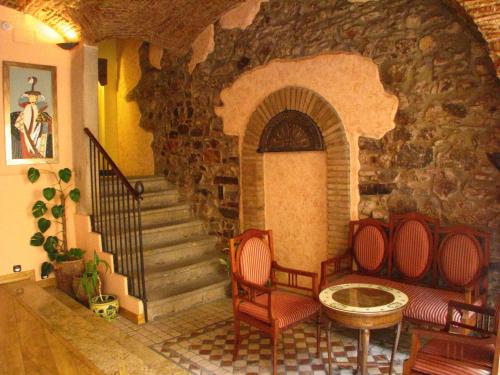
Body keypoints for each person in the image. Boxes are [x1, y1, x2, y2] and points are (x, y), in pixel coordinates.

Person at [11, 76, 53, 159]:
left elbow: (48, 129)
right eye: (30, 97)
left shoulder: (43, 115)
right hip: (24, 135)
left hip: (38, 137)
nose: (33, 99)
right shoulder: (21, 113)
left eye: (35, 97)